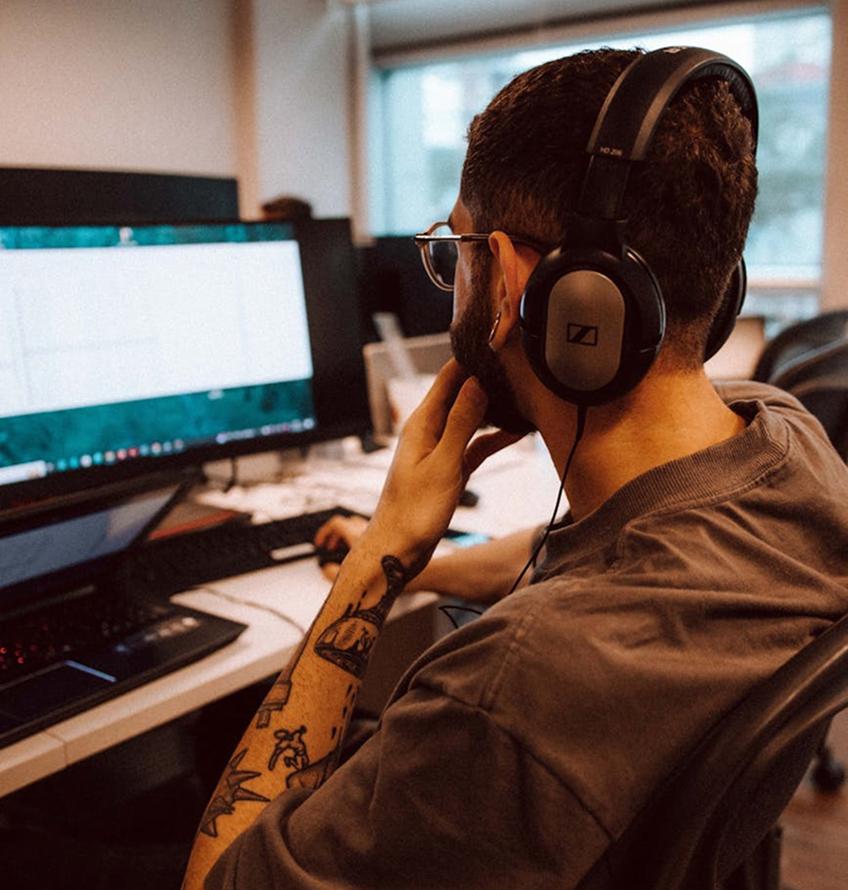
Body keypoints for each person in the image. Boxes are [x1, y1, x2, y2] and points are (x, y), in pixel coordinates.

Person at [182, 47, 848, 889]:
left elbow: (217, 882)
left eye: (459, 247)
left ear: (517, 284)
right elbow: (600, 543)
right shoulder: (785, 440)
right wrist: (427, 568)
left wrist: (371, 565)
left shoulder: (507, 694)